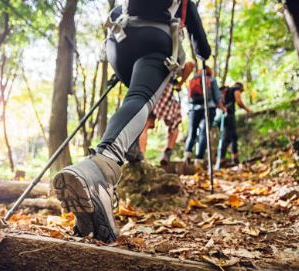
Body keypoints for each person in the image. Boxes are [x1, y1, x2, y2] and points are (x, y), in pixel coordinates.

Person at [52, 0, 211, 243]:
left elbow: (117, 11)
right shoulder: (185, 3)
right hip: (154, 40)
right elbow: (201, 46)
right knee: (140, 98)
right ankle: (101, 170)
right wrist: (203, 54)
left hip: (118, 41)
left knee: (132, 98)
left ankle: (126, 158)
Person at [138, 62, 195, 165]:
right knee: (175, 124)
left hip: (149, 90)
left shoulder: (148, 61)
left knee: (144, 124)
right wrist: (180, 83)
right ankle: (167, 153)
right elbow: (191, 64)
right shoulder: (173, 56)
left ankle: (141, 156)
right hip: (165, 93)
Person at [184, 66, 221, 169]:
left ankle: (187, 154)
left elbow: (189, 97)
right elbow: (217, 97)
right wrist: (222, 107)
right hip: (209, 108)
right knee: (203, 134)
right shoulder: (211, 79)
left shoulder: (193, 80)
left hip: (194, 109)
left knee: (191, 133)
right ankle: (199, 160)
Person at [215, 82, 251, 169]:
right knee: (226, 138)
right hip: (229, 115)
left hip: (222, 116)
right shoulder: (235, 89)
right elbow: (239, 101)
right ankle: (221, 160)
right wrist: (247, 109)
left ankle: (234, 158)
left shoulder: (225, 91)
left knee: (233, 136)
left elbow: (218, 102)